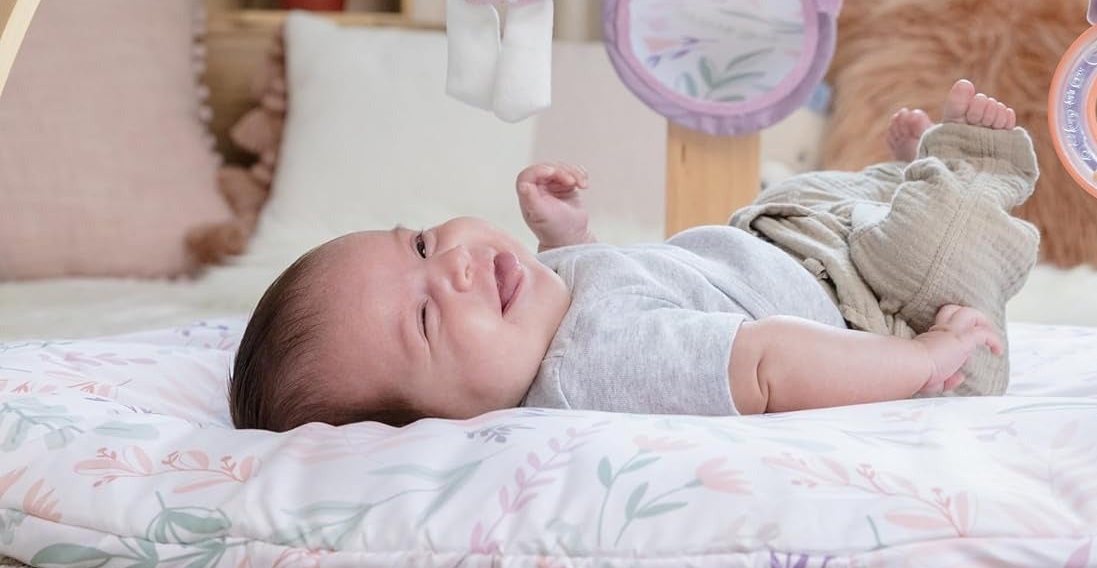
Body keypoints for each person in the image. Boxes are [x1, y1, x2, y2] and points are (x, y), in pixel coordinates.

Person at [227, 79, 1040, 428]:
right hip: (878, 321)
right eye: (426, 318)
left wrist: (567, 240)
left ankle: (891, 186)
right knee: (939, 239)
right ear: (441, 425)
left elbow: (624, 287)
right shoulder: (599, 369)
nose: (455, 267)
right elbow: (768, 364)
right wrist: (924, 359)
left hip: (784, 245)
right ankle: (962, 170)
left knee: (792, 192)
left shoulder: (535, 316)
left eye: (420, 244)